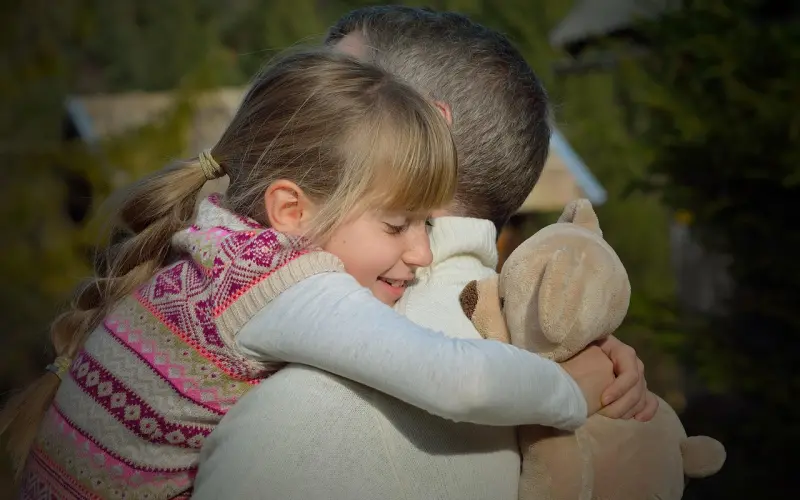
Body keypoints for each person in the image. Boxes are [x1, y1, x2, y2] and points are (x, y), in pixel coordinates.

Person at [1, 49, 613, 500]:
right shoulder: (280, 285)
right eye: (400, 225)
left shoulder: (212, 243)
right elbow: (456, 379)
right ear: (291, 210)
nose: (424, 254)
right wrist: (570, 390)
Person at [192, 6, 657, 500]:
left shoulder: (298, 422)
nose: (292, 118)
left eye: (331, 92)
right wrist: (577, 366)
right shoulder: (546, 362)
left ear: (425, 130)